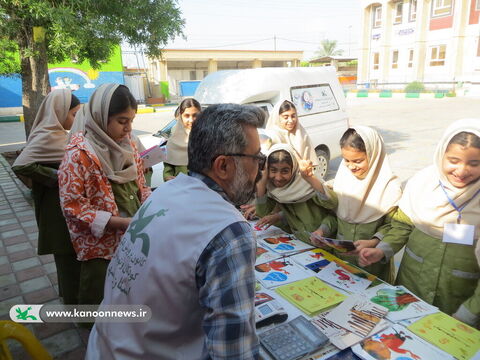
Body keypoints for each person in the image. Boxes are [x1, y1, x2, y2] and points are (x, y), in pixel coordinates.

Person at [85, 103, 265, 359]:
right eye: (257, 158)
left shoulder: (166, 191)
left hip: (103, 347)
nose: (261, 168)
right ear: (223, 166)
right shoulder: (229, 232)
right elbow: (235, 353)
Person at [360, 119, 480, 326]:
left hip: (460, 299)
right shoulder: (423, 183)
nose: (461, 171)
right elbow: (402, 224)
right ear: (441, 154)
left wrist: (467, 314)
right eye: (453, 160)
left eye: (474, 163)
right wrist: (382, 250)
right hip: (412, 285)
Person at [58, 83, 151, 307]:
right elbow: (73, 207)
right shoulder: (78, 155)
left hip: (132, 239)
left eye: (131, 121)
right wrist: (120, 223)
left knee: (129, 295)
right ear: (101, 117)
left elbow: (141, 186)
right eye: (122, 121)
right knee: (101, 302)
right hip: (101, 248)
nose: (128, 129)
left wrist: (151, 209)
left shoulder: (128, 146)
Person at [304, 126, 402, 283]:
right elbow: (335, 216)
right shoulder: (344, 179)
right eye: (346, 160)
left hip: (372, 265)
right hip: (342, 263)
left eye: (358, 161)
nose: (351, 166)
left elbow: (393, 227)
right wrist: (322, 231)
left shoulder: (389, 188)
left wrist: (374, 242)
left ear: (374, 155)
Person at [12, 89, 81, 304]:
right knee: (65, 251)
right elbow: (21, 164)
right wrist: (58, 176)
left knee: (70, 252)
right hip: (54, 208)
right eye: (73, 114)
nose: (76, 119)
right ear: (59, 112)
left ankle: (69, 294)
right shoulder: (47, 135)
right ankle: (74, 303)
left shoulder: (62, 134)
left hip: (65, 204)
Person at [255, 143, 336, 244]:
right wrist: (262, 181)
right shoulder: (273, 188)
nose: (278, 178)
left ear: (294, 169)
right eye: (273, 170)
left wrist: (322, 231)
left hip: (326, 244)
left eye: (285, 171)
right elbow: (263, 213)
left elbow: (333, 208)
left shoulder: (307, 185)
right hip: (302, 244)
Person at [266, 99, 319, 166]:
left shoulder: (301, 133)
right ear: (277, 118)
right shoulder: (272, 136)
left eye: (293, 116)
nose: (290, 120)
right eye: (286, 117)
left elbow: (310, 161)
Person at [163, 98, 202, 181]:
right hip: (180, 187)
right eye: (187, 116)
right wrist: (167, 176)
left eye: (195, 115)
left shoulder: (207, 139)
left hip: (203, 188)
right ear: (181, 116)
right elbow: (168, 168)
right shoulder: (173, 141)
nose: (191, 120)